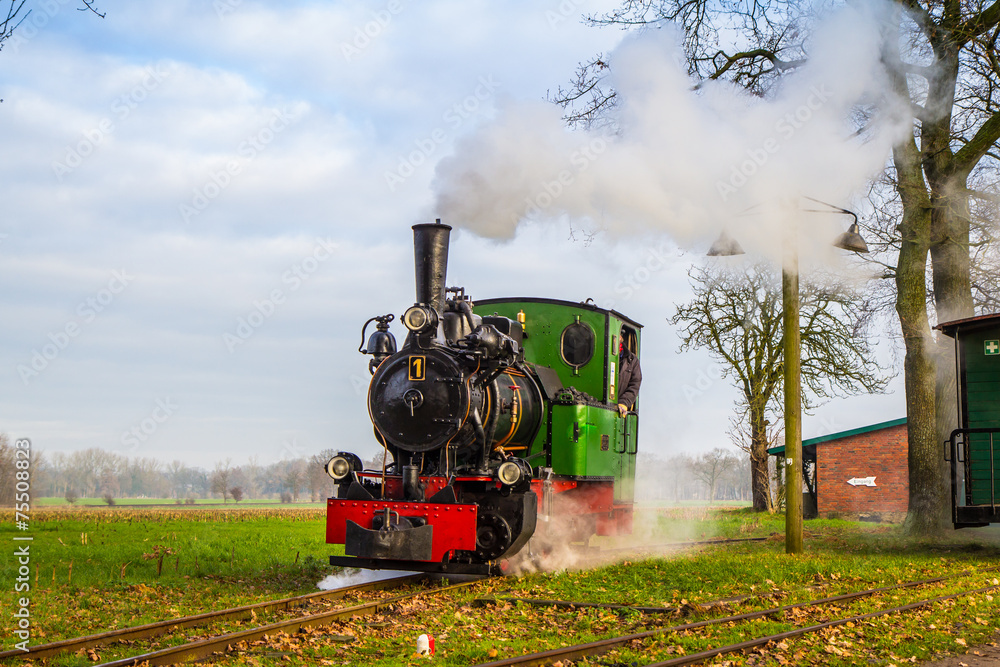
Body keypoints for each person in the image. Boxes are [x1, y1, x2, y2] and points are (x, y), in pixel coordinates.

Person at [617, 328, 641, 417]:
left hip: (620, 409)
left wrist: (623, 403)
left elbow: (635, 384)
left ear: (621, 338)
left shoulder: (633, 360)